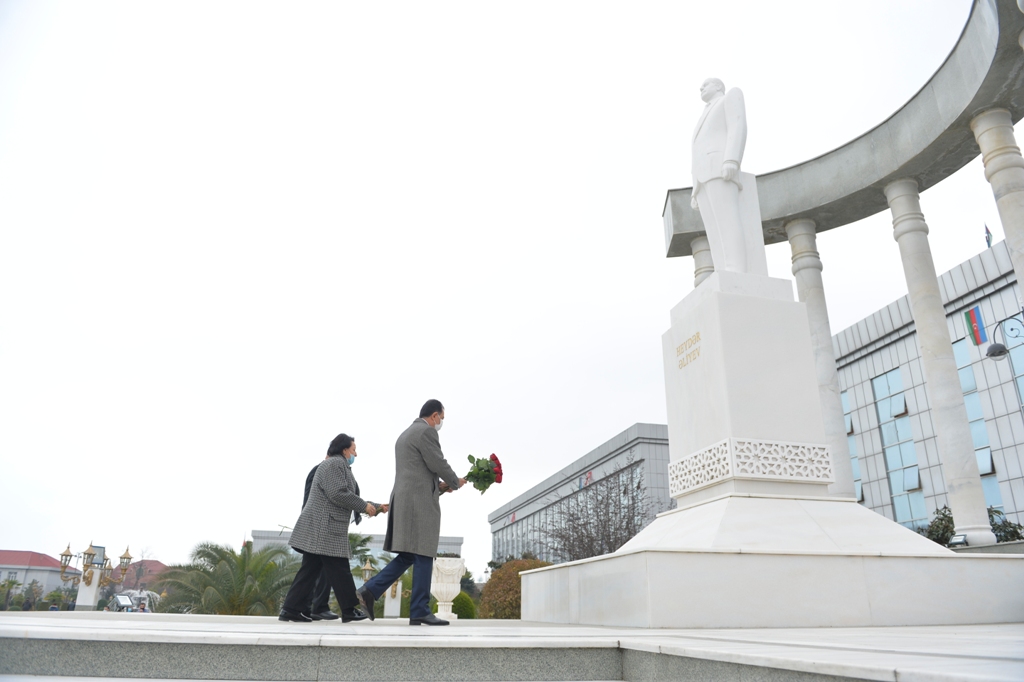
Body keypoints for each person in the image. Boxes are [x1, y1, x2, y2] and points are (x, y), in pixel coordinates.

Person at [357, 400, 466, 626]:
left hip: (405, 499)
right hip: (418, 504)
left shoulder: (405, 434)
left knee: (409, 554)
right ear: (434, 415)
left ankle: (370, 590)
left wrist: (441, 486)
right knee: (424, 551)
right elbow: (438, 462)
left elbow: (419, 472)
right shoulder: (426, 432)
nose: (441, 423)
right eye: (441, 418)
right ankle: (419, 610)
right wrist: (455, 482)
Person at [279, 433, 386, 623]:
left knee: (310, 571)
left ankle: (290, 609)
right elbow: (338, 493)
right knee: (340, 568)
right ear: (344, 450)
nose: (356, 454)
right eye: (353, 449)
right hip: (325, 527)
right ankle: (349, 610)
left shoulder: (337, 465)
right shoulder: (335, 464)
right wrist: (364, 506)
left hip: (324, 526)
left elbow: (345, 495)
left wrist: (375, 507)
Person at [690, 77, 750, 274]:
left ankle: (736, 268)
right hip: (702, 176)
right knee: (712, 229)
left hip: (719, 167)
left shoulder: (730, 97)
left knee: (727, 220)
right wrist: (694, 189)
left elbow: (738, 125)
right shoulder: (703, 113)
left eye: (705, 84)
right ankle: (722, 270)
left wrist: (732, 159)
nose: (701, 87)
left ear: (718, 86)